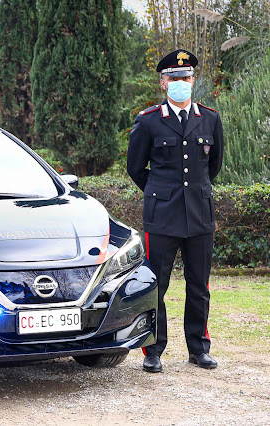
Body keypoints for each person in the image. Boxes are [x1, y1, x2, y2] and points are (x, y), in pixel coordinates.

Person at [127, 50, 224, 373]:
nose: (181, 83)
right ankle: (153, 350)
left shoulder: (209, 118)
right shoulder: (149, 120)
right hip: (162, 216)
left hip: (199, 214)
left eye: (187, 78)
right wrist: (161, 193)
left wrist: (192, 193)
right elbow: (136, 168)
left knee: (200, 285)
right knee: (157, 285)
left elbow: (213, 166)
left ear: (193, 81)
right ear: (163, 83)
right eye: (175, 78)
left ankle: (198, 348)